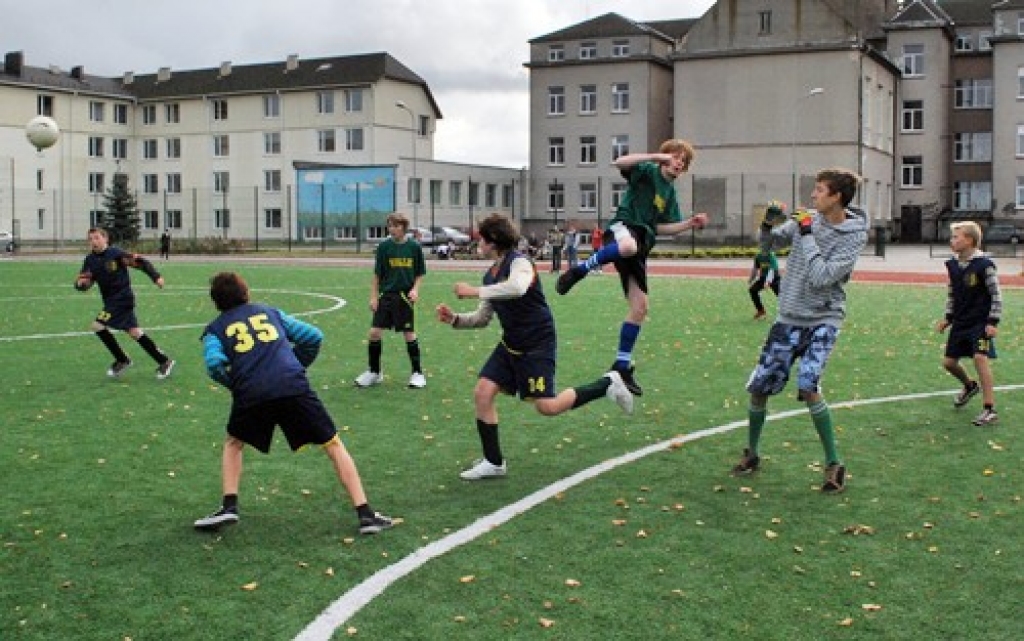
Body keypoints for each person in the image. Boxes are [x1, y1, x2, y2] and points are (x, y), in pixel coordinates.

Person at [435, 213, 634, 481]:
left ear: (493, 241)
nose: (478, 244)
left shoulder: (521, 263)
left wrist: (473, 291)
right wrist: (456, 319)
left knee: (547, 407)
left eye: (480, 239)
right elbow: (483, 318)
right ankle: (494, 463)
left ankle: (608, 384)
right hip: (511, 343)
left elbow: (516, 288)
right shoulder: (490, 275)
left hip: (537, 343)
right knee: (483, 392)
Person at [194, 271, 393, 535]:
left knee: (234, 442)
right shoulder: (270, 313)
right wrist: (297, 366)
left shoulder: (215, 329)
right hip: (292, 385)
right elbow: (313, 337)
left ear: (216, 302)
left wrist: (236, 384)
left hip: (251, 392)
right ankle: (365, 513)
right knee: (332, 444)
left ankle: (229, 505)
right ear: (246, 293)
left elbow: (214, 364)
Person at [731, 168, 867, 494]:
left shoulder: (853, 236)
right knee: (759, 388)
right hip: (789, 317)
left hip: (823, 320)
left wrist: (805, 234)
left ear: (836, 197)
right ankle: (752, 453)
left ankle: (834, 463)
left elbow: (822, 277)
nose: (812, 196)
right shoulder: (809, 220)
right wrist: (768, 223)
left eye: (819, 190)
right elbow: (768, 247)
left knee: (808, 385)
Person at [556, 139, 709, 396]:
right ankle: (580, 270)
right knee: (627, 247)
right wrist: (655, 157)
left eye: (684, 161)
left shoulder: (669, 194)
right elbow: (619, 162)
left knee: (640, 307)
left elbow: (662, 227)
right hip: (623, 230)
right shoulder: (647, 170)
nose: (679, 162)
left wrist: (690, 224)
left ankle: (622, 366)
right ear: (665, 157)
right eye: (675, 156)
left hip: (642, 243)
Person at [74, 227, 175, 380]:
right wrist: (81, 285)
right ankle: (164, 361)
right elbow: (86, 280)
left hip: (122, 298)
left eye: (96, 238)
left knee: (98, 325)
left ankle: (122, 360)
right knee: (134, 332)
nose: (93, 242)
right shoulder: (90, 260)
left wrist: (156, 277)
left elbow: (140, 262)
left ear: (105, 239)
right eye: (90, 239)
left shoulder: (115, 254)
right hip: (110, 300)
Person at [936, 221, 1002, 426]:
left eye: (956, 237)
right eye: (952, 237)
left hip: (980, 323)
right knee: (949, 363)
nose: (952, 240)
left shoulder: (984, 265)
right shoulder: (953, 265)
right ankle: (969, 385)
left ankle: (989, 409)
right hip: (961, 322)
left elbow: (996, 295)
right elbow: (952, 293)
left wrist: (993, 321)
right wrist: (948, 317)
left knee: (980, 358)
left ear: (970, 240)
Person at [354, 213, 428, 389]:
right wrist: (373, 297)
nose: (391, 229)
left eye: (395, 226)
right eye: (390, 226)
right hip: (386, 296)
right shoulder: (384, 248)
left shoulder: (414, 247)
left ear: (403, 227)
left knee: (409, 333)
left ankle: (417, 373)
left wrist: (415, 289)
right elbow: (377, 275)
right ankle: (374, 372)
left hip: (404, 297)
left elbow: (419, 273)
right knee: (374, 333)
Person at [748, 246, 782, 320]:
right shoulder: (758, 256)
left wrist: (768, 282)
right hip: (763, 278)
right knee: (752, 290)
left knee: (781, 295)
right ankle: (761, 311)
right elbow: (755, 268)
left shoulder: (771, 256)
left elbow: (772, 270)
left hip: (774, 278)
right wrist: (751, 279)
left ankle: (788, 313)